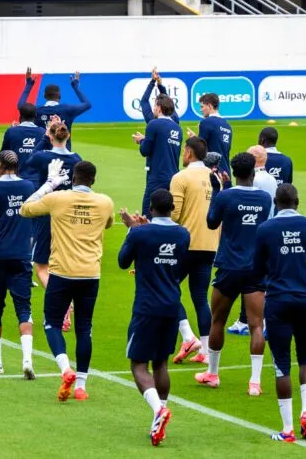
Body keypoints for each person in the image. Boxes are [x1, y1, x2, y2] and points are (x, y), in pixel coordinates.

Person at [21, 157, 114, 403]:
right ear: (93, 180)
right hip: (90, 274)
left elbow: (25, 208)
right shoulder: (105, 202)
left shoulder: (58, 198)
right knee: (84, 328)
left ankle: (65, 370)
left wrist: (50, 184)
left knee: (52, 323)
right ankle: (81, 386)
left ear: (73, 177)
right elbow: (109, 223)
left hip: (62, 272)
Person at [117, 188, 189, 447]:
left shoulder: (139, 233)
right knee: (161, 364)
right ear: (171, 209)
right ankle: (159, 419)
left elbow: (123, 261)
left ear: (150, 207)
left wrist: (131, 229)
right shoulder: (183, 234)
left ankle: (159, 410)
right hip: (172, 305)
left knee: (138, 364)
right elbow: (183, 266)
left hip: (147, 307)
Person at [254, 184, 306, 442]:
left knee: (282, 364)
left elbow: (257, 269)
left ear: (275, 202)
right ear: (297, 201)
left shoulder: (265, 229)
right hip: (305, 299)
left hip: (278, 300)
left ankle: (287, 429)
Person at [200, 150, 272, 395]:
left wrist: (218, 191)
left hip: (229, 266)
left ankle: (213, 373)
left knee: (217, 320)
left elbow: (211, 222)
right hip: (255, 267)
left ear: (233, 172)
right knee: (256, 325)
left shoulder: (225, 197)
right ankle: (254, 381)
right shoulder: (264, 198)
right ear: (254, 171)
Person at [0, 149, 37, 378]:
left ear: (0, 164)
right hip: (22, 254)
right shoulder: (28, 187)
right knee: (24, 308)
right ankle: (27, 360)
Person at [169, 135, 218, 367]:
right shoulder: (214, 177)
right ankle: (207, 352)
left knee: (167, 288)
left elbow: (174, 215)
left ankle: (188, 337)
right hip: (209, 244)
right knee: (200, 297)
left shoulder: (180, 177)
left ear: (188, 153)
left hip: (185, 244)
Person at [21, 118, 82, 300]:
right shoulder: (76, 158)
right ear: (68, 136)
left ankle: (61, 304)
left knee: (41, 265)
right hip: (69, 213)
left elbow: (29, 161)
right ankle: (69, 300)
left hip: (47, 213)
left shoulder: (44, 157)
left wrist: (44, 138)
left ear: (50, 136)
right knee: (65, 262)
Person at [226, 141, 279, 337]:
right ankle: (246, 319)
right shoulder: (272, 178)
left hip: (253, 233)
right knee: (256, 279)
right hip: (267, 230)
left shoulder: (254, 181)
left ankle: (252, 320)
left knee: (252, 279)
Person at [134, 68, 182, 216]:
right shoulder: (177, 126)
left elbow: (144, 151)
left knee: (147, 213)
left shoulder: (152, 123)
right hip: (174, 177)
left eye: (155, 105)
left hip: (156, 177)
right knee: (168, 213)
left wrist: (142, 141)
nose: (154, 107)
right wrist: (160, 85)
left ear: (159, 108)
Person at [18, 68, 91, 140]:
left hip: (42, 151)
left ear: (44, 95)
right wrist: (76, 87)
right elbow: (87, 104)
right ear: (59, 96)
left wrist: (28, 85)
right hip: (62, 151)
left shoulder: (36, 111)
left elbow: (20, 106)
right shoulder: (67, 109)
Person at [1, 100, 46, 174]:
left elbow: (3, 154)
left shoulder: (11, 131)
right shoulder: (43, 132)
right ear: (35, 116)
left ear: (20, 116)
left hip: (15, 178)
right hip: (36, 179)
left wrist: (12, 130)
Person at [195, 91, 233, 176]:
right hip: (226, 173)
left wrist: (194, 139)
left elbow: (200, 149)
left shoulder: (206, 122)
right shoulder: (227, 125)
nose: (201, 110)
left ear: (209, 106)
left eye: (202, 107)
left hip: (212, 173)